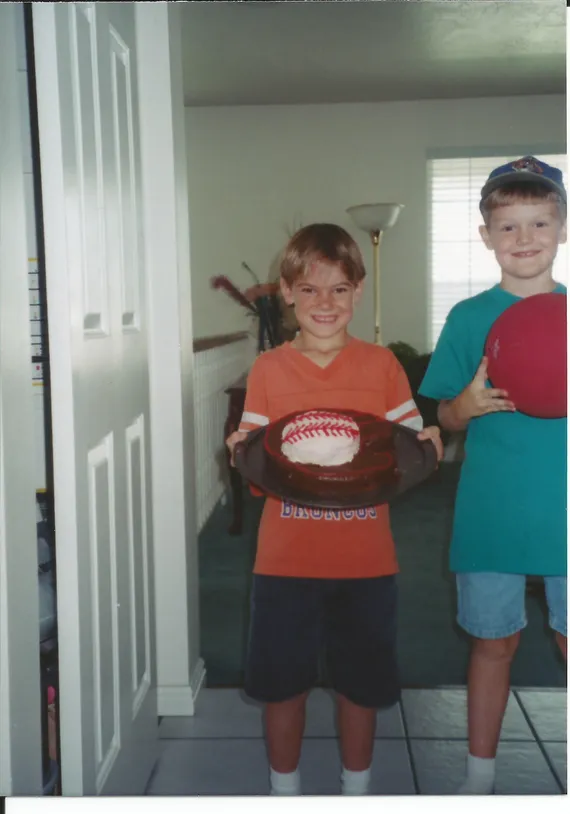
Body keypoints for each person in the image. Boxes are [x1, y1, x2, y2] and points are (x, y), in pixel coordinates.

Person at [226, 223, 443, 796]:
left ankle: (356, 788)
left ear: (359, 292)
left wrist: (429, 442)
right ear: (288, 292)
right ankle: (285, 790)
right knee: (281, 687)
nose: (326, 303)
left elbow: (408, 443)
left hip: (366, 562)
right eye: (311, 289)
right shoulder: (270, 369)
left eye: (340, 289)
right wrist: (241, 450)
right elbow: (253, 451)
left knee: (361, 687)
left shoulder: (380, 366)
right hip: (284, 563)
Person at [419, 156, 568, 794]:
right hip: (492, 509)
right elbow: (444, 417)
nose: (525, 238)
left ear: (562, 227)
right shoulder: (467, 318)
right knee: (492, 643)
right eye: (508, 227)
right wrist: (466, 406)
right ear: (486, 236)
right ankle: (478, 778)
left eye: (539, 222)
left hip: (564, 508)